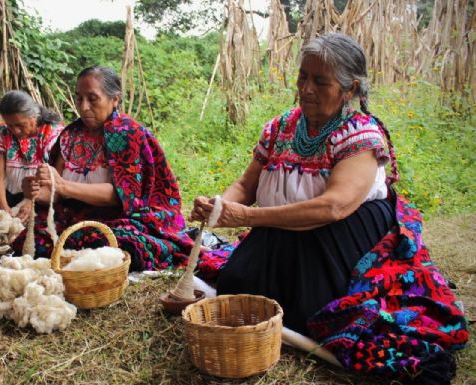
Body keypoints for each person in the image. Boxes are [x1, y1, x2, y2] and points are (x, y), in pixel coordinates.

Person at [191, 33, 468, 383]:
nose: (306, 88)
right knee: (237, 284)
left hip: (342, 228)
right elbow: (247, 185)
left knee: (312, 307)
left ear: (350, 89)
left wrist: (247, 217)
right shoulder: (279, 128)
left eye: (320, 81)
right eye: (303, 76)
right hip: (282, 225)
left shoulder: (361, 135)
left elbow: (333, 207)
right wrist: (220, 205)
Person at [18, 65, 193, 271]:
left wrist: (64, 186)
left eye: (92, 98)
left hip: (121, 217)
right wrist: (35, 192)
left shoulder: (128, 134)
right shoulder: (70, 136)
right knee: (25, 236)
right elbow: (55, 193)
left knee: (122, 243)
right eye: (79, 98)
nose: (83, 107)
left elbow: (120, 196)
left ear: (114, 99)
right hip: (76, 216)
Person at [0, 90, 64, 220]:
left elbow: (54, 179)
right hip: (9, 194)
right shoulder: (2, 132)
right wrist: (3, 208)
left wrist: (30, 202)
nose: (15, 130)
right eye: (10, 125)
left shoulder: (52, 134)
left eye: (20, 125)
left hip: (42, 199)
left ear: (34, 116)